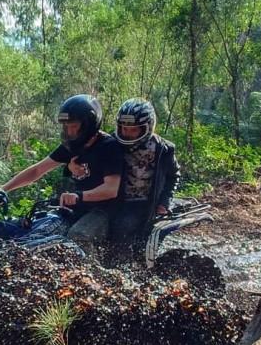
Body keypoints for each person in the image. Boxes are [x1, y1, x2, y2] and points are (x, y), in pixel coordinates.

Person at [0, 94, 124, 250]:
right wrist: (4, 188)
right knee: (28, 234)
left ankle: (89, 273)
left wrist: (79, 196)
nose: (70, 132)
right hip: (74, 210)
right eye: (66, 126)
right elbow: (38, 170)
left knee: (78, 236)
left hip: (103, 211)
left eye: (74, 126)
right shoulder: (71, 146)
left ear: (89, 124)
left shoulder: (109, 147)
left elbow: (111, 189)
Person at [69, 98, 180, 244]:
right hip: (107, 200)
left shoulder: (163, 149)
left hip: (141, 203)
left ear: (147, 127)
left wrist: (164, 201)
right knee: (76, 224)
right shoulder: (109, 143)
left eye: (133, 129)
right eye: (123, 128)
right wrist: (73, 168)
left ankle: (123, 264)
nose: (126, 133)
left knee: (123, 228)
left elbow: (173, 176)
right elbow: (88, 162)